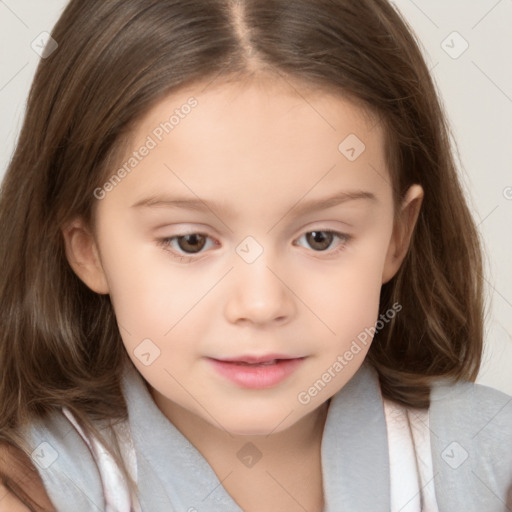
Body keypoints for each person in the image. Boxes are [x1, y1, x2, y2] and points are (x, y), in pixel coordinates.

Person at [0, 0, 511, 510]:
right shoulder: (29, 487)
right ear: (87, 249)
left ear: (397, 236)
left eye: (320, 238)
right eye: (191, 241)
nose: (262, 304)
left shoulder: (489, 462)